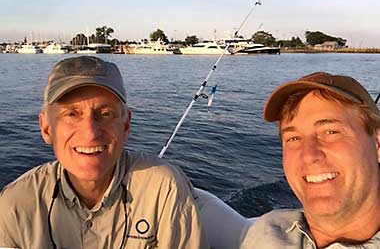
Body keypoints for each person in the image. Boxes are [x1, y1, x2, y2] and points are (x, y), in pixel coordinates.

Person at [0, 56, 208, 249]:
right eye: (72, 114)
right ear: (47, 128)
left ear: (125, 125)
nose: (90, 132)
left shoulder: (164, 190)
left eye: (105, 113)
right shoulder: (15, 204)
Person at [241, 72, 380, 248]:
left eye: (331, 132)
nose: (308, 155)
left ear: (377, 143)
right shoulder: (267, 231)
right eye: (293, 138)